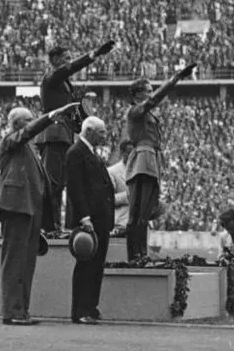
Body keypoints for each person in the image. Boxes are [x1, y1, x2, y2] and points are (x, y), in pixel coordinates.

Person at [0, 102, 79, 326]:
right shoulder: (10, 141)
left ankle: (21, 310)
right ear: (18, 124)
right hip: (16, 208)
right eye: (29, 119)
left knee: (26, 264)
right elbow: (28, 132)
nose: (33, 123)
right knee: (15, 262)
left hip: (30, 210)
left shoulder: (30, 148)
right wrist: (50, 115)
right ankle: (12, 311)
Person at [35, 41, 115, 231]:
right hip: (53, 136)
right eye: (66, 58)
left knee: (62, 184)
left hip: (64, 135)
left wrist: (94, 124)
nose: (69, 62)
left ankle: (57, 226)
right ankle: (47, 227)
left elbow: (76, 111)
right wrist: (93, 53)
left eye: (70, 58)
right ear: (55, 60)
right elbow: (70, 69)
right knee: (53, 184)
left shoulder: (64, 84)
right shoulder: (51, 78)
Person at [125, 63, 197, 261]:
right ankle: (136, 254)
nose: (151, 93)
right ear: (138, 94)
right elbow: (155, 100)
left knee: (143, 213)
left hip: (148, 161)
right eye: (148, 90)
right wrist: (175, 79)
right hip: (143, 160)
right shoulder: (135, 111)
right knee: (138, 212)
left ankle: (140, 253)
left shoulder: (145, 114)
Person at [66, 117, 116, 325]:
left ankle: (91, 306)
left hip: (101, 219)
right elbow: (76, 188)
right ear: (89, 131)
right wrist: (84, 217)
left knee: (97, 266)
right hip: (90, 220)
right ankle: (80, 310)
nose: (105, 136)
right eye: (101, 132)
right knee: (86, 266)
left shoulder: (90, 153)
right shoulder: (76, 153)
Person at [108, 140, 134, 231]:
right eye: (129, 153)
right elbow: (107, 199)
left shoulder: (140, 172)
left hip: (139, 224)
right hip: (120, 224)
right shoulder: (112, 172)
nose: (132, 156)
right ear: (122, 153)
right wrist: (127, 195)